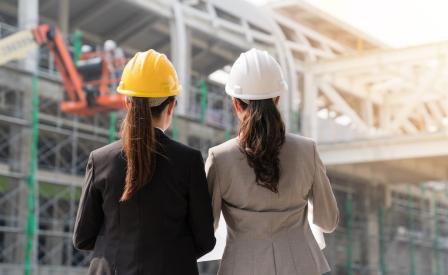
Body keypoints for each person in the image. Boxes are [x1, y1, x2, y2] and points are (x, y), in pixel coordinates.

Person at [73, 49, 215, 275]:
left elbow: (83, 237)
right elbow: (205, 240)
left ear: (128, 103)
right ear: (171, 105)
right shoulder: (188, 161)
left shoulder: (100, 160)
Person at [206, 49, 339, 275]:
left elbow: (207, 228)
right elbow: (328, 221)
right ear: (277, 99)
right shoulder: (307, 150)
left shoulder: (219, 159)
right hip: (302, 267)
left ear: (236, 104)